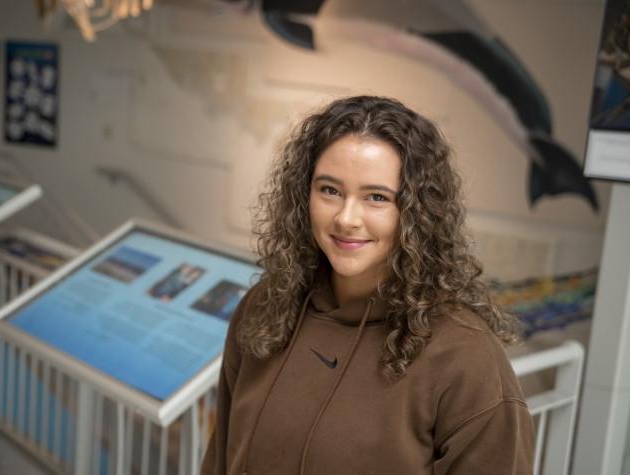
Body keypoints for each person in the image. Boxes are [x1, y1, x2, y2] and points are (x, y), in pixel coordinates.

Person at [201, 96, 535, 474]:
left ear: (416, 213)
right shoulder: (266, 306)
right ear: (302, 195)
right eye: (329, 190)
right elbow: (219, 458)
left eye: (376, 197)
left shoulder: (466, 356)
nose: (346, 218)